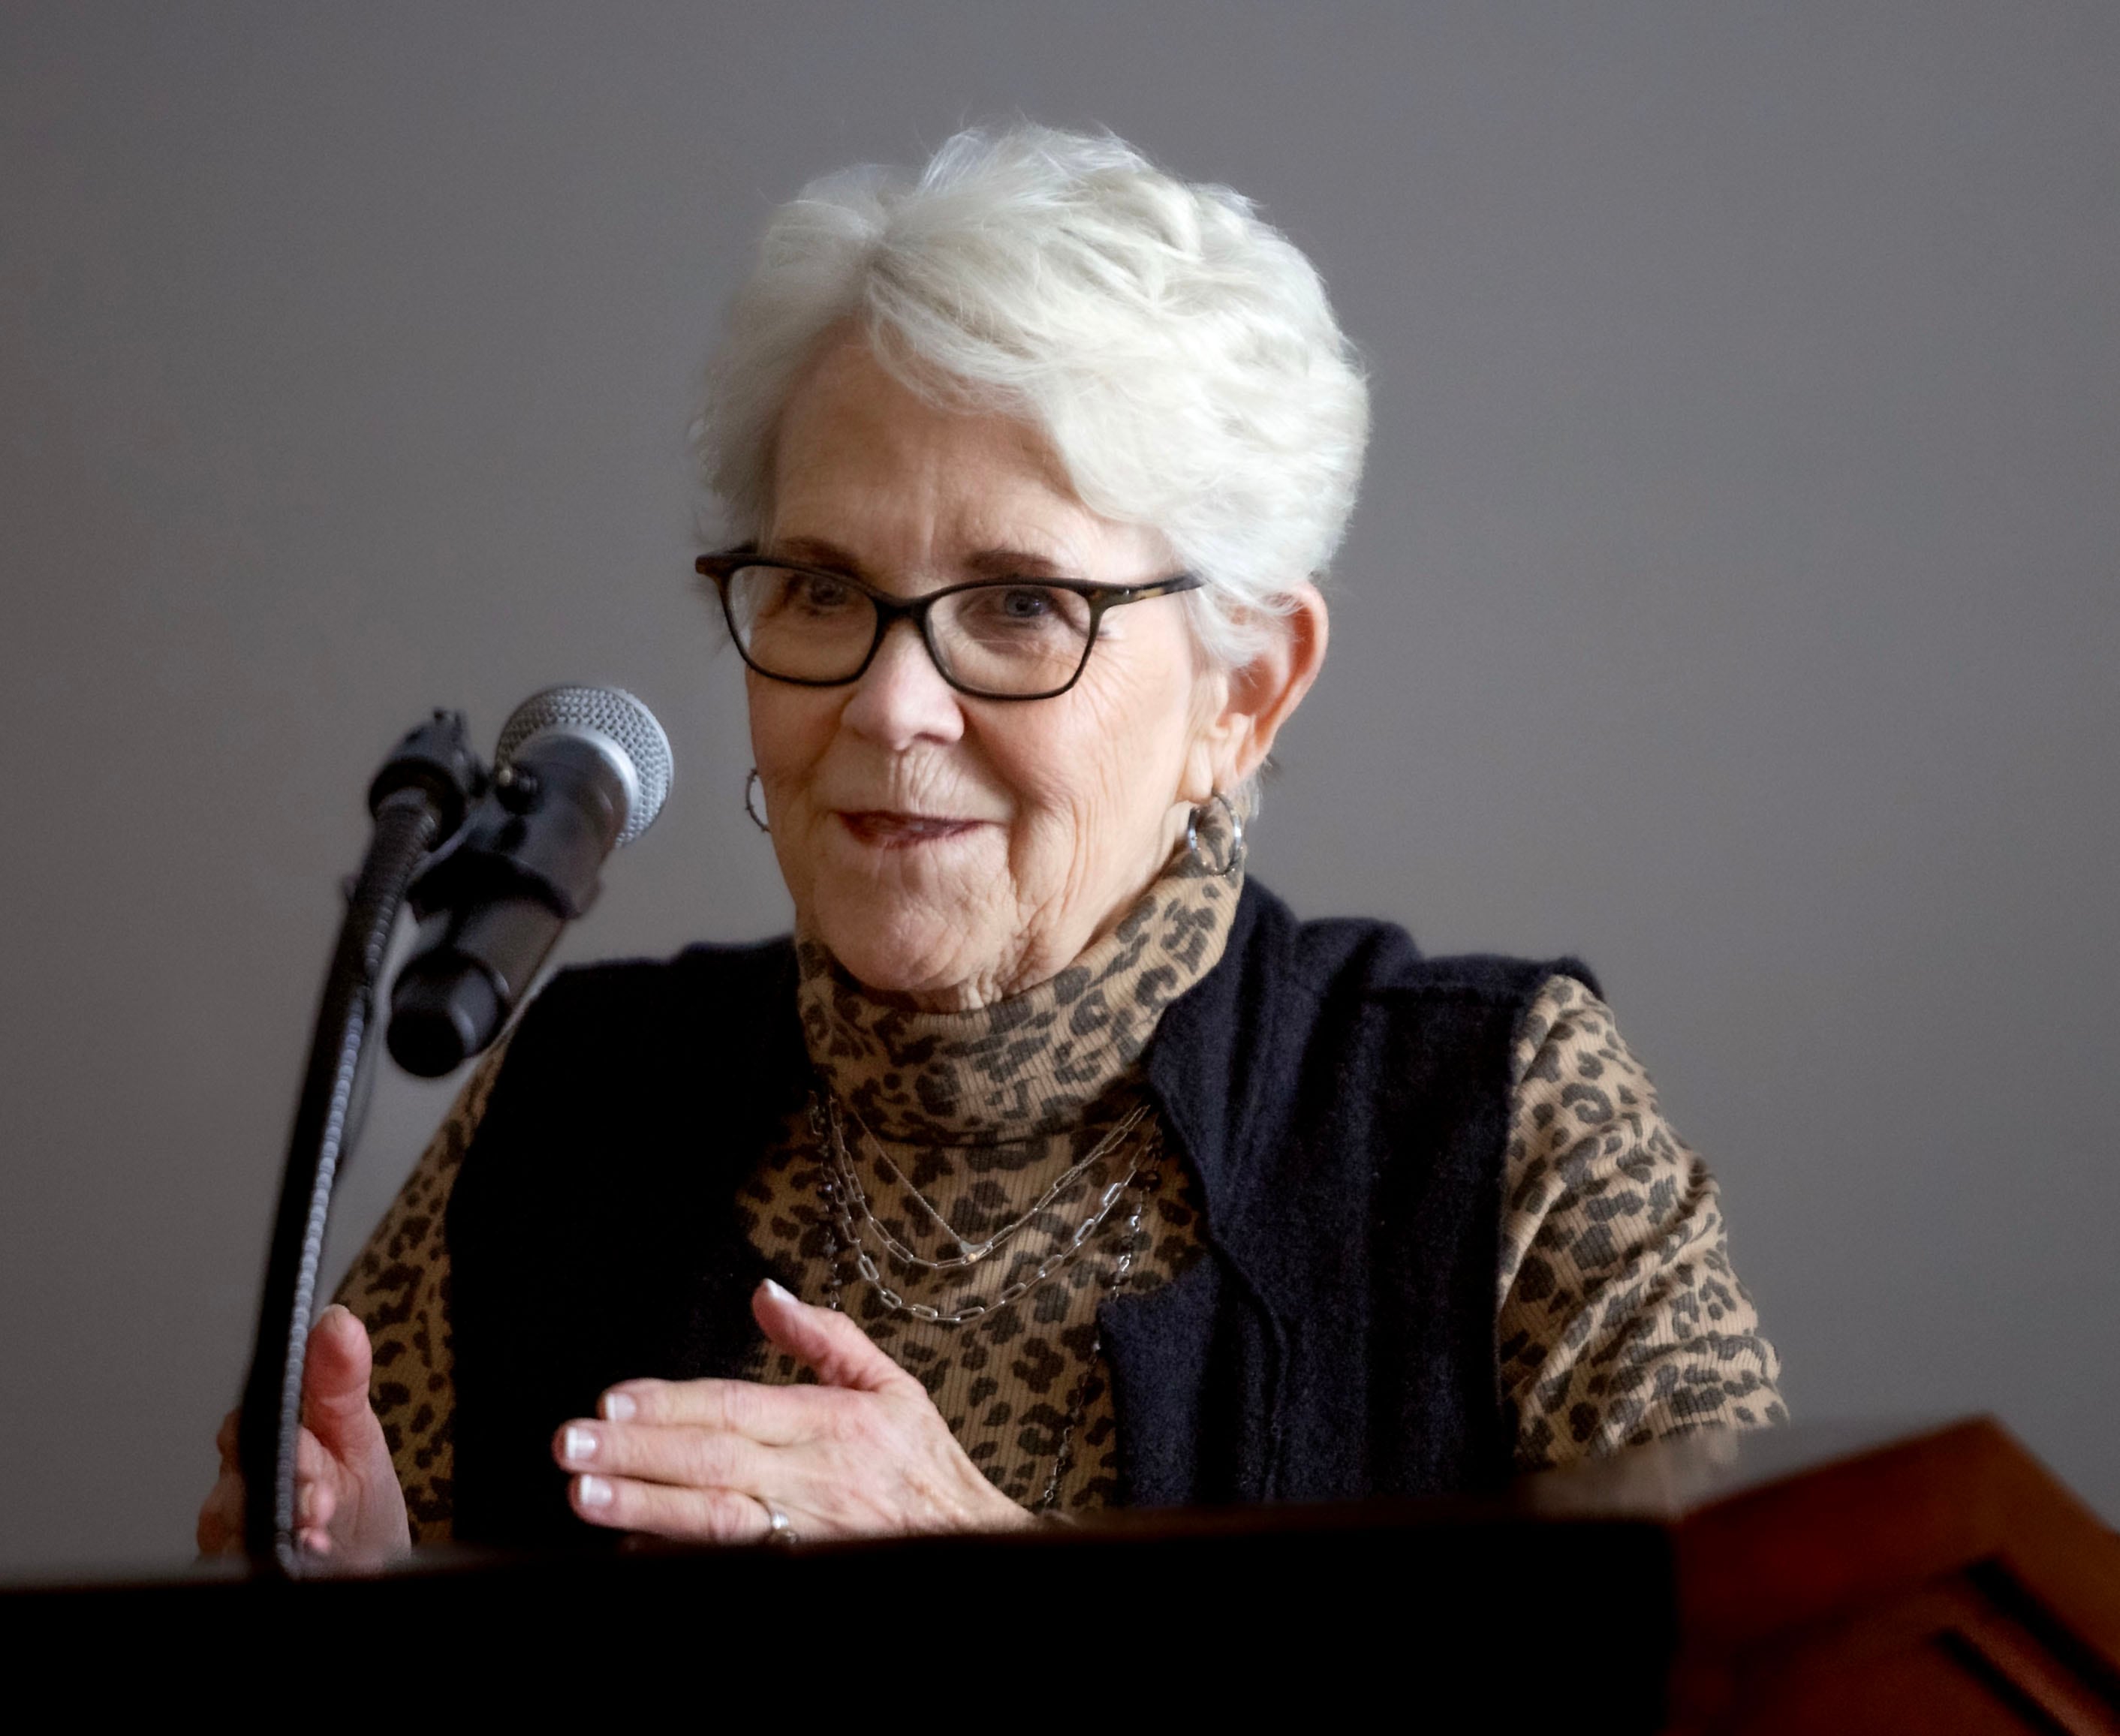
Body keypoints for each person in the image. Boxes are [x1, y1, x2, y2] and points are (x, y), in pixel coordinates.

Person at [200, 125, 1781, 1564]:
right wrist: (378, 1606)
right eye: (822, 588)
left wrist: (994, 1578)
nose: (892, 707)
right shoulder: (578, 1093)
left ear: (1247, 687)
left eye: (1024, 604)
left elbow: (1772, 1682)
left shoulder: (1501, 1119)